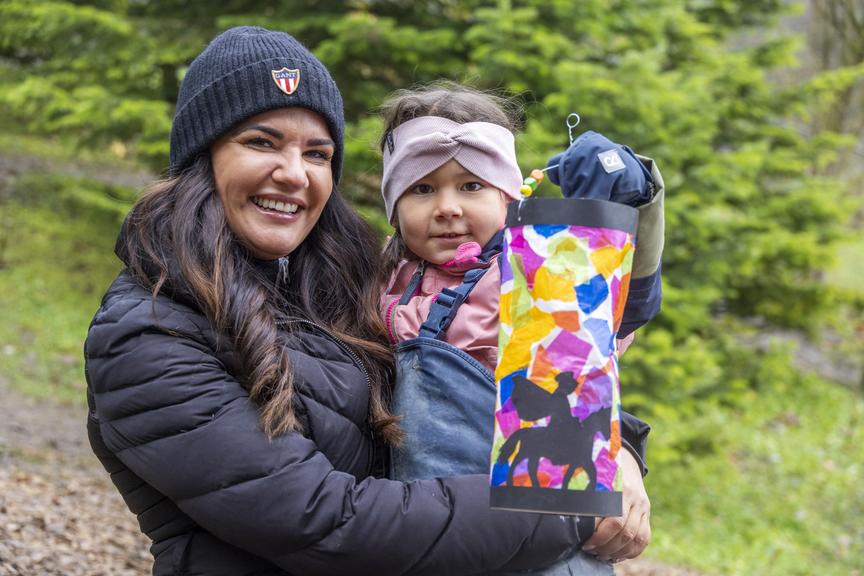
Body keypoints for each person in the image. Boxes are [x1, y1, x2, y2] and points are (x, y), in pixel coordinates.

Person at [84, 27, 655, 575]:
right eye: (261, 142)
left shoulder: (350, 278)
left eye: (317, 152)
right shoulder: (147, 333)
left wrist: (618, 451)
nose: (292, 173)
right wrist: (570, 498)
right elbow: (327, 526)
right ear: (201, 158)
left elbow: (548, 356)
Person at [378, 85, 664, 571]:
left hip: (542, 529)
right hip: (432, 528)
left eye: (471, 186)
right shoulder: (381, 277)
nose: (447, 207)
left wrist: (634, 201)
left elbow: (627, 307)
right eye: (423, 188)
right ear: (393, 206)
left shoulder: (538, 269)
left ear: (510, 196)